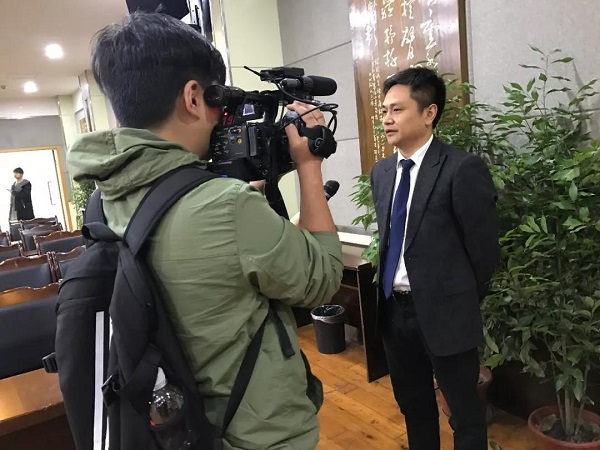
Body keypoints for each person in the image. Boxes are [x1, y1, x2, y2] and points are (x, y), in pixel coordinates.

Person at [66, 12, 343, 450]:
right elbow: (323, 279)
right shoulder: (225, 205)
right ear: (193, 97)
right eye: (219, 101)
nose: (222, 117)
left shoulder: (105, 197)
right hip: (257, 435)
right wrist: (309, 166)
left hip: (175, 429)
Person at [370, 67, 500, 450]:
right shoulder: (382, 172)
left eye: (397, 110)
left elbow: (484, 252)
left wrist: (457, 298)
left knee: (465, 416)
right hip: (395, 314)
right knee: (415, 409)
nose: (386, 119)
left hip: (447, 314)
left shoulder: (461, 168)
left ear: (429, 113)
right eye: (384, 110)